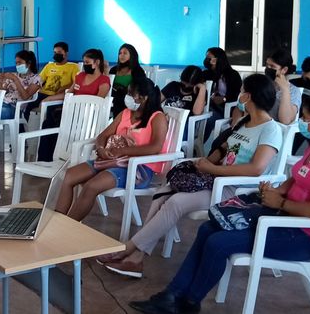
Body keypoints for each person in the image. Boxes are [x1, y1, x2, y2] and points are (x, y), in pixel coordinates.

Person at [129, 91, 310, 314]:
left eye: (305, 118)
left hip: (303, 237)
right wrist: (276, 191)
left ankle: (189, 302)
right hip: (282, 220)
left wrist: (281, 204)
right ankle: (172, 295)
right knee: (207, 228)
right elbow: (297, 178)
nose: (302, 122)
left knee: (218, 243)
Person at [100, 74, 282, 279]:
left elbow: (256, 169)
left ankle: (129, 249)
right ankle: (136, 257)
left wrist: (212, 169)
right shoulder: (244, 122)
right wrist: (204, 163)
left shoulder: (270, 129)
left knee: (176, 202)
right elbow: (224, 149)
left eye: (242, 91)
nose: (239, 95)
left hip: (235, 190)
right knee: (162, 193)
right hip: (215, 179)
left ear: (248, 96)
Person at [55, 76, 167, 222]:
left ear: (144, 98)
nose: (127, 97)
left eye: (131, 94)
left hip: (138, 169)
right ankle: (58, 220)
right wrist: (101, 148)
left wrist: (122, 152)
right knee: (69, 175)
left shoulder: (157, 117)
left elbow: (155, 147)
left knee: (91, 186)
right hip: (112, 160)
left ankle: (67, 226)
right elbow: (103, 135)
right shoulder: (125, 113)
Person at [37, 48, 111, 161]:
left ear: (97, 62)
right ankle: (45, 159)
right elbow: (69, 94)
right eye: (84, 62)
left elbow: (97, 103)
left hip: (86, 116)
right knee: (49, 123)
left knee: (59, 125)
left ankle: (57, 156)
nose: (85, 65)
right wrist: (49, 98)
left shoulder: (103, 80)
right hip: (70, 112)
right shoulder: (80, 76)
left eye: (87, 62)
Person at [234, 48, 302, 125]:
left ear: (284, 70)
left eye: (272, 66)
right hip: (251, 125)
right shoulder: (260, 83)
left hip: (274, 129)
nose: (268, 69)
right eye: (267, 65)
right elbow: (240, 107)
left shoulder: (293, 91)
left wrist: (285, 90)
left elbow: (285, 120)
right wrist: (236, 125)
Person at [25, 42, 80, 117]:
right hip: (42, 93)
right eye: (55, 52)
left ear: (66, 53)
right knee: (27, 106)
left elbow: (76, 82)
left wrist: (65, 87)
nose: (56, 54)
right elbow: (39, 80)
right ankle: (23, 124)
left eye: (59, 52)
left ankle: (46, 124)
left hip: (58, 95)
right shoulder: (49, 66)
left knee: (50, 111)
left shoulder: (73, 67)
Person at [202, 47, 242, 138]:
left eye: (209, 58)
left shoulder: (232, 74)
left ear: (218, 59)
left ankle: (198, 142)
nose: (206, 60)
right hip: (208, 106)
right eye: (206, 57)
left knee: (208, 120)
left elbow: (237, 94)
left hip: (224, 108)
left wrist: (224, 99)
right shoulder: (206, 73)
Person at [160, 65, 206, 140]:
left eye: (190, 85)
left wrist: (202, 88)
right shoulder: (173, 86)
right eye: (184, 83)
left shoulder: (200, 93)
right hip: (166, 119)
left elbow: (197, 112)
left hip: (183, 124)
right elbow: (156, 101)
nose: (186, 86)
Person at [0, 49, 41, 121]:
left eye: (20, 63)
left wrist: (16, 80)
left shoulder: (36, 79)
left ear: (29, 63)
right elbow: (1, 92)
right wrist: (0, 81)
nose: (17, 65)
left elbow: (25, 96)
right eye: (16, 63)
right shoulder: (14, 75)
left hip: (15, 108)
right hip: (2, 103)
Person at [109, 43, 146, 116]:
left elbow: (139, 89)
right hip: (114, 100)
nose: (121, 55)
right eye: (120, 53)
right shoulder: (113, 70)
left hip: (130, 102)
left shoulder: (138, 71)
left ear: (132, 55)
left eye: (125, 53)